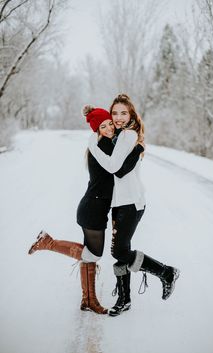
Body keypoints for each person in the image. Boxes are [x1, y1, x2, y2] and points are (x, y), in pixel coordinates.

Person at [28, 105, 144, 314]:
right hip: (93, 209)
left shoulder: (102, 145)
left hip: (93, 207)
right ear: (97, 129)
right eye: (103, 126)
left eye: (110, 124)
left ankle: (88, 300)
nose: (110, 128)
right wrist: (137, 148)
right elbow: (119, 170)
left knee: (90, 254)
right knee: (93, 254)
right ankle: (49, 243)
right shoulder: (105, 146)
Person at [88, 94, 180, 317]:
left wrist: (93, 146)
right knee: (120, 251)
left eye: (123, 113)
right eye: (115, 113)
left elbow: (114, 168)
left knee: (120, 250)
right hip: (120, 203)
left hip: (131, 202)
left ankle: (166, 272)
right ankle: (124, 300)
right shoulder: (120, 136)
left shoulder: (128, 135)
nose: (118, 118)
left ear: (131, 115)